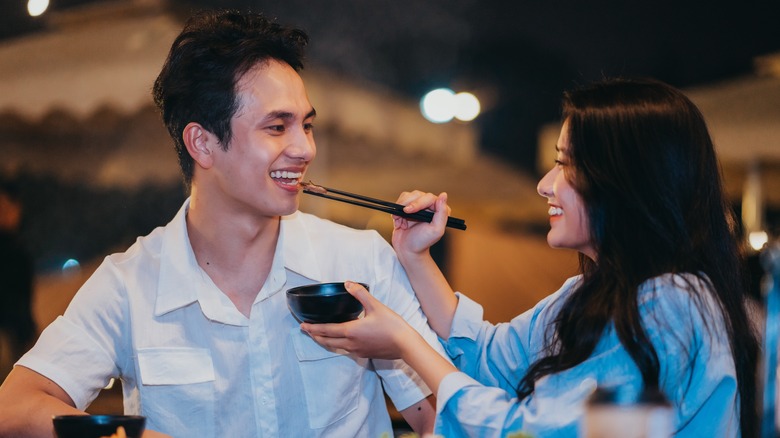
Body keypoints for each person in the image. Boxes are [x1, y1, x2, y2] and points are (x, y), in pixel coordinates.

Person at [0, 10, 448, 437]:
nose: (304, 148)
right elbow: (14, 409)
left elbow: (438, 419)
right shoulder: (128, 285)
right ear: (202, 143)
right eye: (277, 127)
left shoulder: (360, 261)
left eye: (306, 126)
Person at [302, 78, 759, 437]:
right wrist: (415, 256)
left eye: (565, 163)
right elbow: (488, 359)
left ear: (626, 180)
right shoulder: (593, 291)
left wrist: (403, 343)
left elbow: (531, 433)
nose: (545, 184)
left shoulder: (671, 306)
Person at [0, 178, 36, 381]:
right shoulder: (12, 251)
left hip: (15, 333)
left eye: (7, 207)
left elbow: (23, 298)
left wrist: (28, 329)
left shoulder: (19, 250)